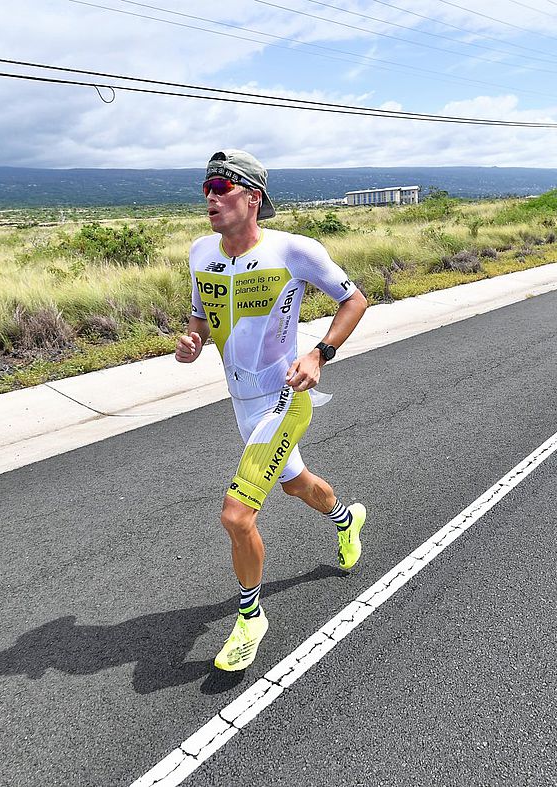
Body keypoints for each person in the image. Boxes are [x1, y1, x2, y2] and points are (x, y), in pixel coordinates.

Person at [176, 149, 369, 672]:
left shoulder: (294, 251)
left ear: (253, 197)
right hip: (239, 400)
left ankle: (250, 617)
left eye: (222, 187)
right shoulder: (199, 252)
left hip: (284, 398)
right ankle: (347, 520)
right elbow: (199, 312)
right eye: (206, 189)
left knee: (237, 515)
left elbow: (354, 301)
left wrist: (319, 353)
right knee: (294, 483)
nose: (211, 197)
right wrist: (193, 339)